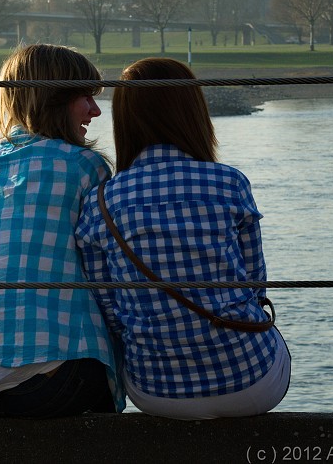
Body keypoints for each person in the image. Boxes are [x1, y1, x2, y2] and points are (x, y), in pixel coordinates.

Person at [0, 44, 125, 418]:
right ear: (53, 98)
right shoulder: (85, 166)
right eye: (85, 97)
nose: (95, 111)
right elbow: (104, 275)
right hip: (53, 379)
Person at [75, 57, 290, 420]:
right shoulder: (230, 182)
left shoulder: (102, 201)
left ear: (124, 121)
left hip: (157, 392)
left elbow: (111, 313)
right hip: (251, 383)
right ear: (193, 112)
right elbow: (256, 286)